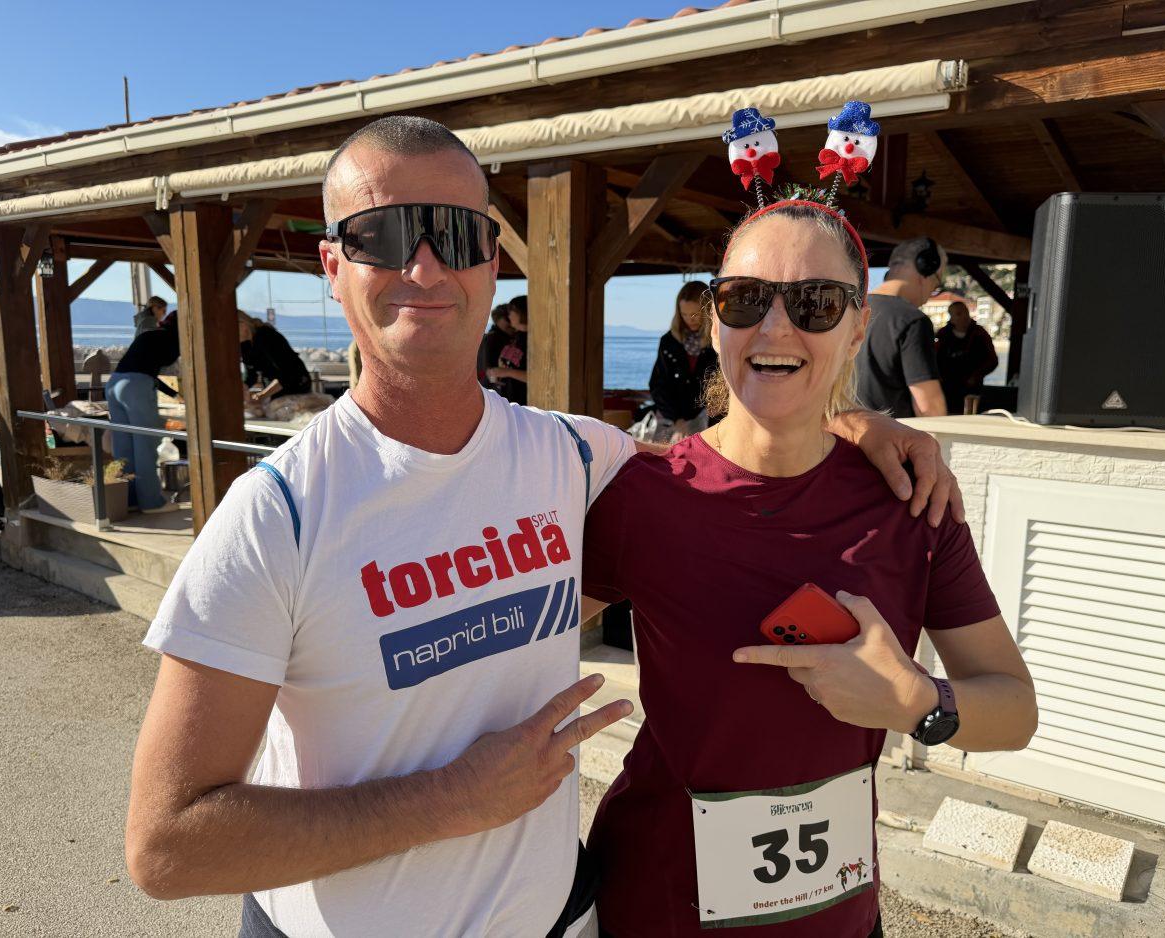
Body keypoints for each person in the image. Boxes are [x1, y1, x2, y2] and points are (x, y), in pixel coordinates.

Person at [125, 115, 964, 938]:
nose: (424, 264)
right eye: (380, 235)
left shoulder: (574, 456)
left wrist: (854, 422)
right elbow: (165, 847)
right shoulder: (278, 514)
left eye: (456, 234)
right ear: (333, 265)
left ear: (493, 261)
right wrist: (447, 800)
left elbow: (740, 456)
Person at [581, 201, 1036, 937]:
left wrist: (917, 703)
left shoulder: (911, 501)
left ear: (858, 327)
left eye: (816, 303)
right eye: (744, 299)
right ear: (715, 321)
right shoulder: (644, 494)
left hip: (839, 918)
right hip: (660, 907)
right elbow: (503, 642)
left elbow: (1014, 710)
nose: (774, 328)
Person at [856, 237, 949, 417]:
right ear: (925, 270)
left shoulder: (850, 310)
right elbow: (929, 407)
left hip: (840, 431)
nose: (932, 293)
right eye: (936, 283)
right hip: (891, 432)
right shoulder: (913, 321)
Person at [106, 313, 181, 513]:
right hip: (136, 387)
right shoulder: (173, 339)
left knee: (124, 447)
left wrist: (174, 394)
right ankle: (151, 502)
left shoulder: (148, 335)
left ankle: (129, 499)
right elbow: (151, 371)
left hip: (114, 384)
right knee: (145, 444)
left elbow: (145, 369)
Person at [647, 280, 717, 442]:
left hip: (712, 422)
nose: (689, 319)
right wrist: (676, 419)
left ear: (708, 310)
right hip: (672, 421)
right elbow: (658, 385)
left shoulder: (718, 341)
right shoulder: (668, 342)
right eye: (684, 314)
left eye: (695, 314)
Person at [935, 300, 998, 415]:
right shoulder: (942, 335)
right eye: (958, 314)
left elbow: (992, 360)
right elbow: (932, 361)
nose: (964, 317)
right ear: (951, 318)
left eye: (966, 312)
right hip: (947, 390)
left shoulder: (980, 334)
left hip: (972, 390)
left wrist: (976, 376)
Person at [239, 312, 313, 403]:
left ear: (243, 325)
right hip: (275, 389)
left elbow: (287, 374)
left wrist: (262, 395)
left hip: (296, 385)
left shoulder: (266, 336)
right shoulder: (245, 345)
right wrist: (243, 388)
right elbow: (251, 375)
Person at [487, 294, 529, 404]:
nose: (509, 316)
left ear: (521, 312)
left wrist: (507, 372)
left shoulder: (533, 340)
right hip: (509, 400)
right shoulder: (516, 336)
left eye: (511, 311)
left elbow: (537, 377)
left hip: (525, 403)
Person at [477, 302, 515, 390]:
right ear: (497, 320)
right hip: (494, 386)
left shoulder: (509, 336)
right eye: (507, 318)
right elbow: (488, 365)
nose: (510, 322)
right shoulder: (492, 338)